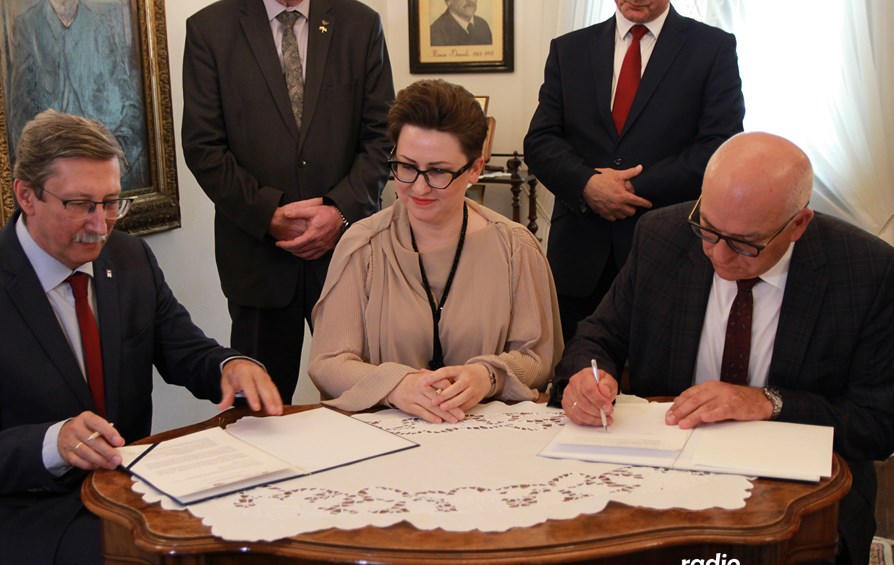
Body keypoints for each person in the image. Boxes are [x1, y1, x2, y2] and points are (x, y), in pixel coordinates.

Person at [0, 111, 283, 565]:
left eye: (111, 202)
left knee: (242, 546)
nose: (100, 224)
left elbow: (184, 350)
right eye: (81, 204)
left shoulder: (128, 259)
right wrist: (53, 442)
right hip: (21, 508)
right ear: (26, 196)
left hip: (123, 486)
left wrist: (231, 364)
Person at [553, 132, 894, 565]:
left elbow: (879, 424)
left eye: (744, 244)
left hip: (794, 492)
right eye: (709, 230)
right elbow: (596, 336)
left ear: (798, 224)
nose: (717, 255)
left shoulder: (867, 271)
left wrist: (768, 402)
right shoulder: (662, 236)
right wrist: (590, 376)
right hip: (663, 470)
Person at [308, 79, 562, 423]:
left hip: (486, 436)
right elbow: (328, 363)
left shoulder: (516, 248)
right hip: (385, 438)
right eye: (406, 166)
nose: (419, 187)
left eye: (438, 171)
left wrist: (488, 376)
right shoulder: (363, 246)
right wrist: (395, 385)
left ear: (475, 168)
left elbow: (538, 359)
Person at [182, 0, 395, 403]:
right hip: (258, 261)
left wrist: (340, 211)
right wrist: (268, 215)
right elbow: (203, 147)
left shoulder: (361, 24)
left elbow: (383, 137)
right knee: (262, 411)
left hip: (347, 255)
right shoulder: (209, 29)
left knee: (367, 402)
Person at [523, 0, 744, 341]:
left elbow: (719, 147)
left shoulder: (712, 47)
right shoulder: (569, 49)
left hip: (668, 248)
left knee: (661, 369)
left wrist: (630, 187)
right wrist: (587, 184)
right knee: (577, 365)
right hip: (580, 253)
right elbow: (540, 141)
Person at [7, 0, 148, 189]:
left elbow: (133, 110)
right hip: (55, 184)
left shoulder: (99, 29)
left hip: (103, 179)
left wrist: (115, 160)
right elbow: (19, 116)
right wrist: (51, 176)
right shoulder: (26, 26)